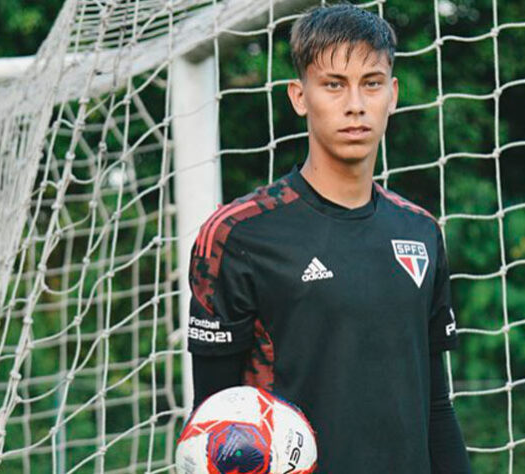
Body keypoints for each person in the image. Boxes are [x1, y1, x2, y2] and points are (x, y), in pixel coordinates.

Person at [186, 4, 472, 473]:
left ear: (393, 94)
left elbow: (436, 407)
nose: (355, 104)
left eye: (371, 83)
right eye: (334, 85)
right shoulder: (237, 235)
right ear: (299, 96)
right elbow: (213, 422)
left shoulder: (420, 231)